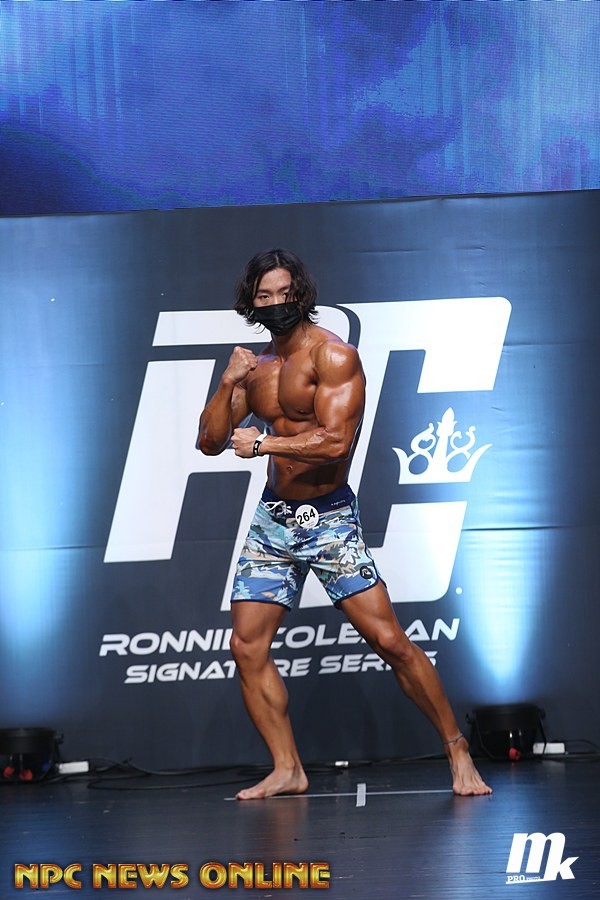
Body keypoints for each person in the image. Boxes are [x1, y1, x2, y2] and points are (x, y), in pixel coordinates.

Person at [197, 248, 492, 800]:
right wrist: (227, 382)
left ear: (302, 295)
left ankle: (457, 749)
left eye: (286, 293)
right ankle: (288, 768)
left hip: (329, 520)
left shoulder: (333, 356)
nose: (277, 303)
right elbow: (210, 443)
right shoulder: (256, 369)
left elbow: (335, 441)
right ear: (250, 304)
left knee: (389, 640)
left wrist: (265, 444)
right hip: (274, 520)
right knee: (246, 646)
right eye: (265, 296)